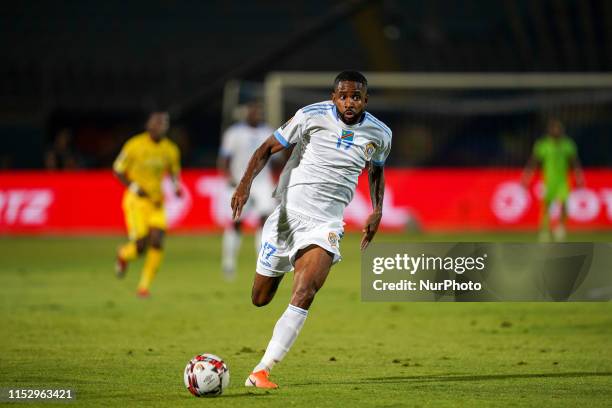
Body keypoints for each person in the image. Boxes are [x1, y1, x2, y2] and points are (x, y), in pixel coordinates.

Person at [231, 71, 391, 388]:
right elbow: (264, 149)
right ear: (334, 97)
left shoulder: (380, 133)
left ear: (365, 100)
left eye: (356, 96)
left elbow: (376, 171)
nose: (350, 102)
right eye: (343, 96)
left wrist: (377, 209)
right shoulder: (310, 116)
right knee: (260, 298)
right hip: (287, 217)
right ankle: (286, 264)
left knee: (305, 293)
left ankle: (261, 370)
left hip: (326, 224)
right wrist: (244, 186)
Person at [113, 111, 182, 297]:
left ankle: (143, 287)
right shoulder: (134, 145)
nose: (162, 126)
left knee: (157, 242)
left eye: (164, 123)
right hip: (136, 202)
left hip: (156, 202)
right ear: (149, 125)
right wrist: (135, 188)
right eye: (158, 123)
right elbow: (117, 170)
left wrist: (177, 187)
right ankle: (123, 254)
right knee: (140, 246)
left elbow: (174, 172)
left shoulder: (170, 149)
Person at [218, 102, 277, 280]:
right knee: (236, 222)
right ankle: (228, 263)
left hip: (262, 183)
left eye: (258, 112)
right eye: (253, 112)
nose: (256, 114)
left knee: (264, 221)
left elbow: (276, 158)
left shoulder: (268, 131)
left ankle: (262, 263)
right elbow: (224, 158)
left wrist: (276, 178)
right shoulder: (234, 133)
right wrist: (228, 177)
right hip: (239, 182)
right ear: (246, 114)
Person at [521, 118, 585, 241]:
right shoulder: (543, 145)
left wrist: (579, 176)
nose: (556, 131)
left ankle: (560, 227)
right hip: (548, 180)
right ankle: (544, 229)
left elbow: (574, 161)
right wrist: (527, 176)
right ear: (549, 131)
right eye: (554, 129)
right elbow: (534, 161)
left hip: (562, 180)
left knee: (564, 203)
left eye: (558, 129)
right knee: (546, 205)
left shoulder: (567, 144)